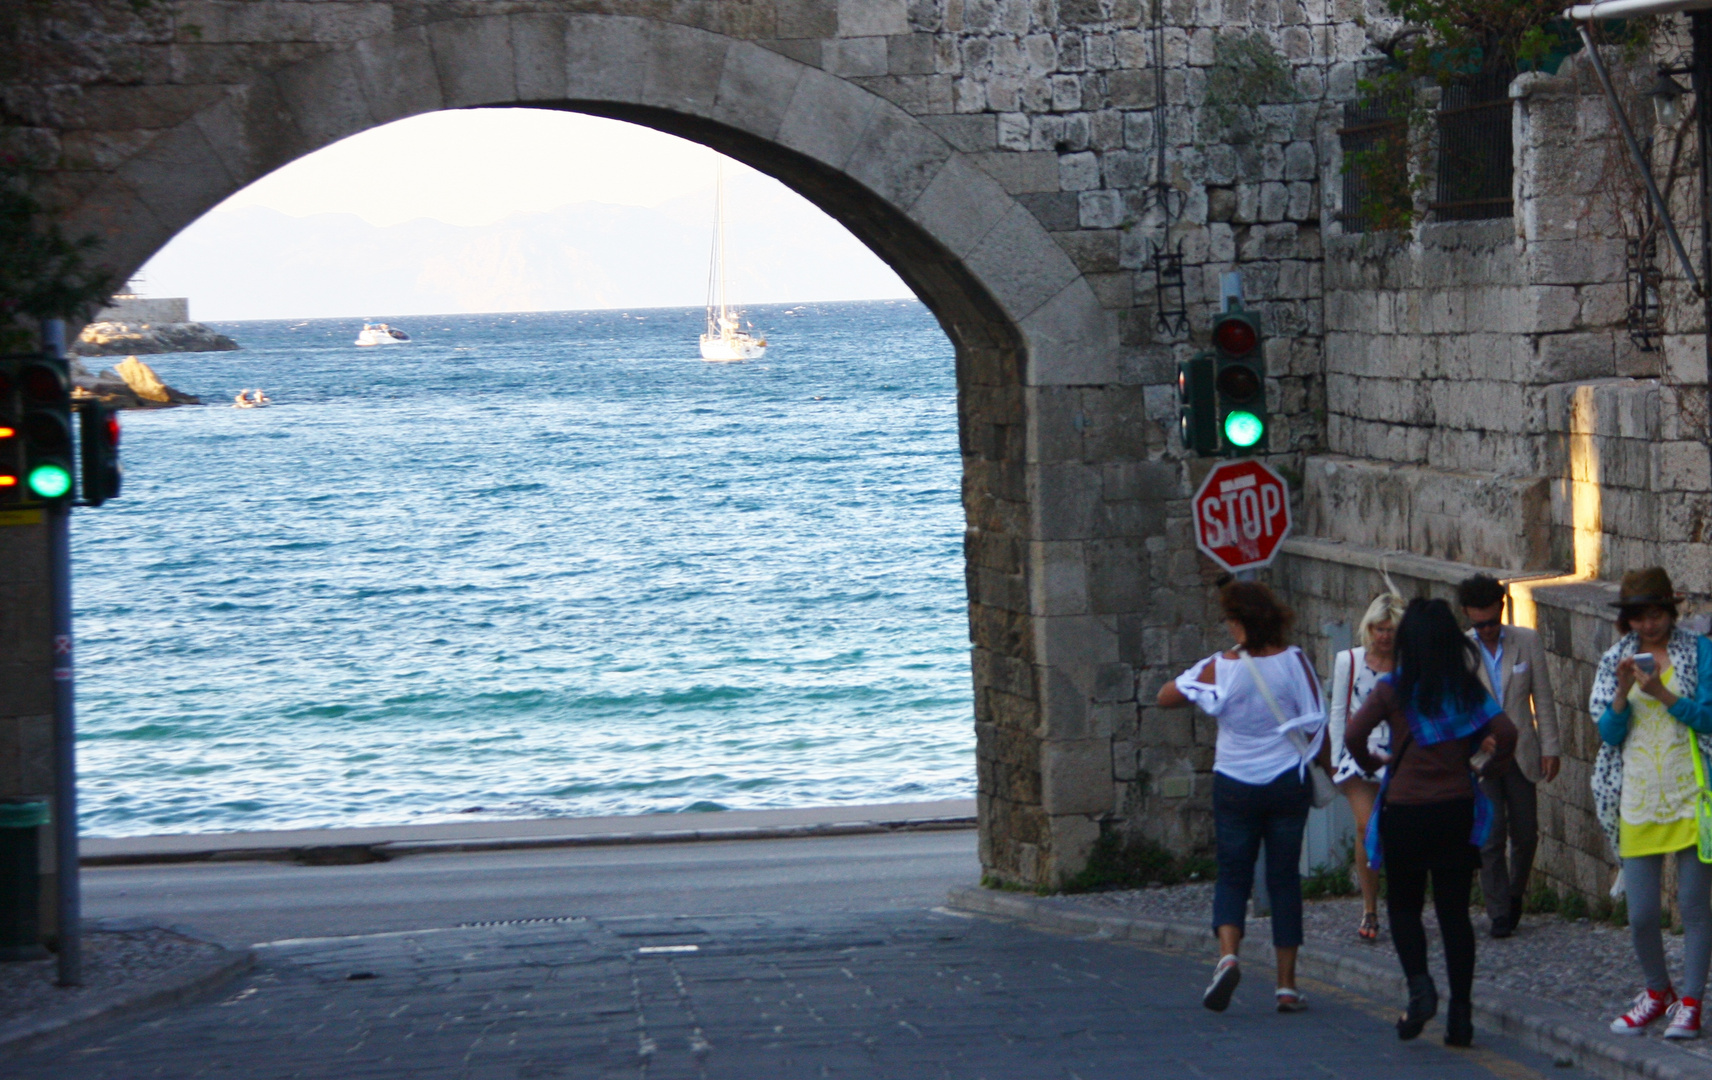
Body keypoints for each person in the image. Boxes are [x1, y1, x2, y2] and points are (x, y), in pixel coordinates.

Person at [1347, 597, 1517, 1048]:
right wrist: (1488, 768)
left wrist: (1372, 762)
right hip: (1455, 810)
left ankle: (1420, 985)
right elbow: (1508, 733)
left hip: (1405, 810)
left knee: (1403, 907)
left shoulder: (1392, 689)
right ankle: (1460, 1017)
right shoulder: (1465, 690)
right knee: (1454, 914)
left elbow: (1352, 734)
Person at [1157, 581, 1328, 1014]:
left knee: (1233, 874)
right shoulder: (1294, 662)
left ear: (1237, 623)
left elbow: (1166, 697)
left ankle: (1228, 956)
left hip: (1234, 781)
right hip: (1287, 783)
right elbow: (1317, 724)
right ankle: (1286, 986)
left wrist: (1204, 691)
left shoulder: (1220, 667)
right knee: (1284, 879)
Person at [1593, 567, 1712, 1040]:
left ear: (1671, 611)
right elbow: (1607, 734)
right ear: (1628, 621)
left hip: (1691, 795)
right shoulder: (1614, 661)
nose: (1649, 625)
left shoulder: (1698, 654)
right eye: (1639, 617)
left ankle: (1691, 1001)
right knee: (1641, 913)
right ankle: (1656, 991)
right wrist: (1623, 693)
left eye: (1656, 614)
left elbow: (1708, 718)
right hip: (1638, 797)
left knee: (1694, 906)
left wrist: (1662, 693)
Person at [1457, 573, 1559, 939]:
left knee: (1526, 832)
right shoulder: (1461, 651)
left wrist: (1551, 747)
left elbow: (1542, 699)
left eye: (1491, 622)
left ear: (1501, 611)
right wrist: (1475, 740)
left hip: (1521, 751)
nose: (1485, 630)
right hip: (1482, 757)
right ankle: (1498, 910)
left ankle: (1515, 893)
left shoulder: (1526, 641)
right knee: (1491, 834)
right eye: (1478, 623)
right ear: (1468, 616)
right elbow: (1457, 709)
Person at [1328, 591, 1404, 943]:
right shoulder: (1350, 660)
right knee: (1365, 826)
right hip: (1359, 752)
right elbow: (1339, 711)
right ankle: (1370, 907)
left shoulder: (1406, 664)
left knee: (1398, 830)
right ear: (1368, 628)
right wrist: (1334, 760)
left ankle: (1402, 902)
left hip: (1398, 754)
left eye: (1389, 629)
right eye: (1378, 628)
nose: (1383, 636)